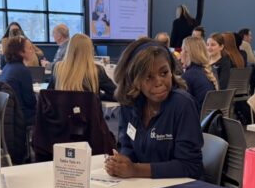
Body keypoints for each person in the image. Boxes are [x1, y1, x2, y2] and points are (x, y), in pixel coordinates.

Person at [106, 38, 203, 180]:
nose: (159, 82)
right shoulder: (130, 104)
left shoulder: (183, 104)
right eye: (148, 77)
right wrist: (121, 164)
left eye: (164, 73)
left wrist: (135, 170)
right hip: (144, 186)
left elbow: (190, 166)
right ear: (135, 81)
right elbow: (127, 146)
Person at [52, 33, 116, 101]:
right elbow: (115, 94)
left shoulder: (58, 68)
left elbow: (49, 95)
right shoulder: (96, 70)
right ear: (90, 50)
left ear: (69, 48)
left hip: (62, 111)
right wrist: (97, 96)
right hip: (89, 111)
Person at [0, 35, 36, 126]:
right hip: (20, 116)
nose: (33, 51)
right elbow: (30, 102)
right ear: (21, 52)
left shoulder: (6, 68)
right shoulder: (23, 71)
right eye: (30, 48)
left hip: (9, 114)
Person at [180, 35, 218, 111]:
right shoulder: (209, 71)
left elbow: (181, 107)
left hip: (194, 120)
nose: (180, 53)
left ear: (188, 53)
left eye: (182, 50)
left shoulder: (188, 76)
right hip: (208, 119)